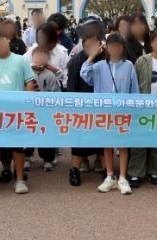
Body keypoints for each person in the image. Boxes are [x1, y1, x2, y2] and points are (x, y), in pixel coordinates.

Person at [0, 33, 37, 195]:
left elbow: (29, 82)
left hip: (16, 112)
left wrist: (26, 103)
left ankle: (20, 180)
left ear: (8, 40)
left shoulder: (21, 60)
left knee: (17, 147)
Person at [80, 33, 139, 195]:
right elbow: (84, 74)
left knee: (123, 144)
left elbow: (134, 89)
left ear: (122, 48)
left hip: (123, 111)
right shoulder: (99, 66)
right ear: (106, 47)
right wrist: (91, 56)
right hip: (104, 112)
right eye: (112, 46)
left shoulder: (128, 65)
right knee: (107, 144)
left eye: (118, 46)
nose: (115, 49)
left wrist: (134, 109)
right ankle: (110, 175)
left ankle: (122, 177)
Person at [128, 32, 157, 187]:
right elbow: (133, 81)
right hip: (142, 106)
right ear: (152, 43)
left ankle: (156, 171)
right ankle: (135, 172)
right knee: (138, 141)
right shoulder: (142, 61)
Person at [65, 32, 105, 186]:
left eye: (94, 44)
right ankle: (74, 169)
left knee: (103, 139)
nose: (91, 47)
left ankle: (105, 169)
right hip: (82, 105)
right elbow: (71, 86)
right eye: (88, 45)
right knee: (80, 139)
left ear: (100, 43)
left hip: (102, 105)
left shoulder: (106, 57)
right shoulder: (76, 60)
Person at [24, 22, 69, 88]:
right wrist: (32, 67)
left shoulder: (62, 52)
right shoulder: (31, 51)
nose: (42, 41)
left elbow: (66, 79)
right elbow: (22, 69)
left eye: (45, 38)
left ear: (53, 38)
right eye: (39, 38)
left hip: (54, 90)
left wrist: (55, 70)